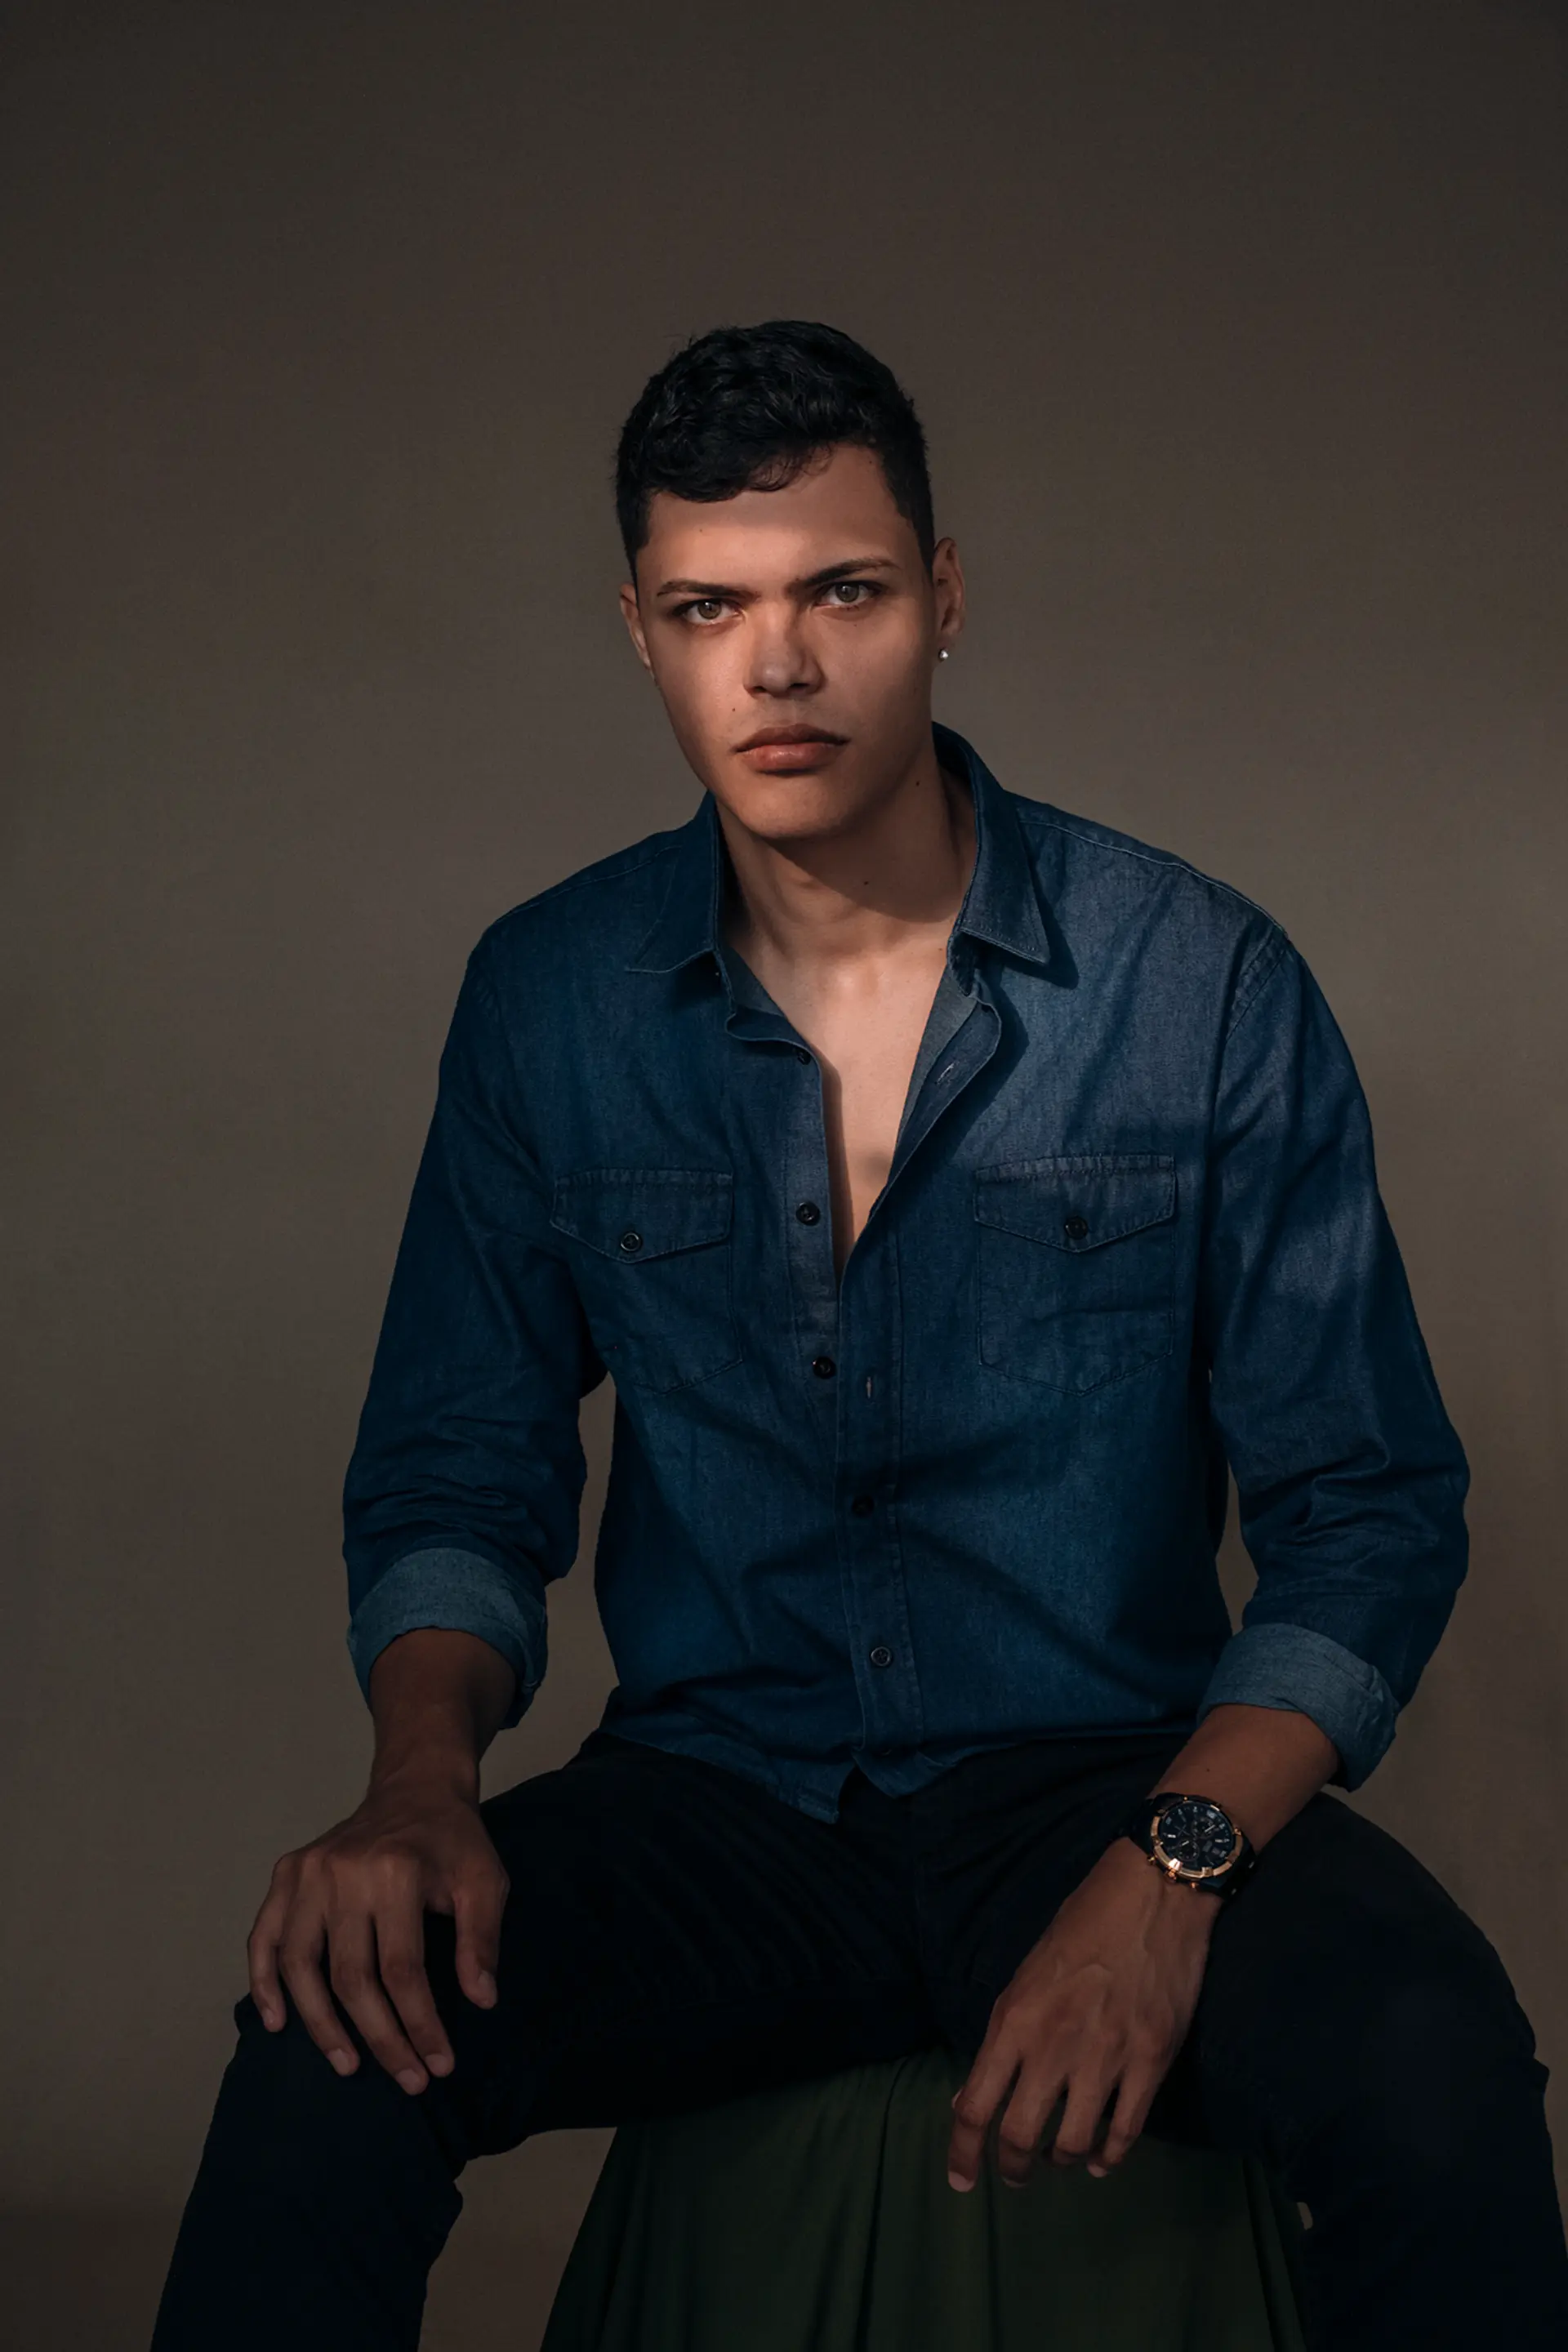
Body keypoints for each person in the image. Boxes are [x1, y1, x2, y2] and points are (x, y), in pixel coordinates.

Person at [149, 320, 1567, 2350]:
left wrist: (1168, 1873)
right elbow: (458, 1466)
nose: (780, 667)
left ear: (945, 597)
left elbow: (1371, 1513)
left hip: (1103, 1779)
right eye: (709, 609)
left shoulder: (1199, 984)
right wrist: (417, 1787)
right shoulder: (549, 998)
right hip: (723, 1805)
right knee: (324, 2056)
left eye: (844, 592)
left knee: (1438, 2078)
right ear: (640, 631)